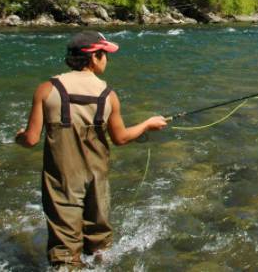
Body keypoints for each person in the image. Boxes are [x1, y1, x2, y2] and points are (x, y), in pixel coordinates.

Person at [15, 31, 168, 266]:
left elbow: (31, 140)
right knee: (99, 243)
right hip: (97, 176)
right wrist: (148, 123)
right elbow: (121, 138)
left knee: (64, 249)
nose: (107, 59)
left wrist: (19, 137)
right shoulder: (108, 95)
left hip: (62, 178)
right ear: (94, 57)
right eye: (104, 54)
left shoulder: (47, 89)